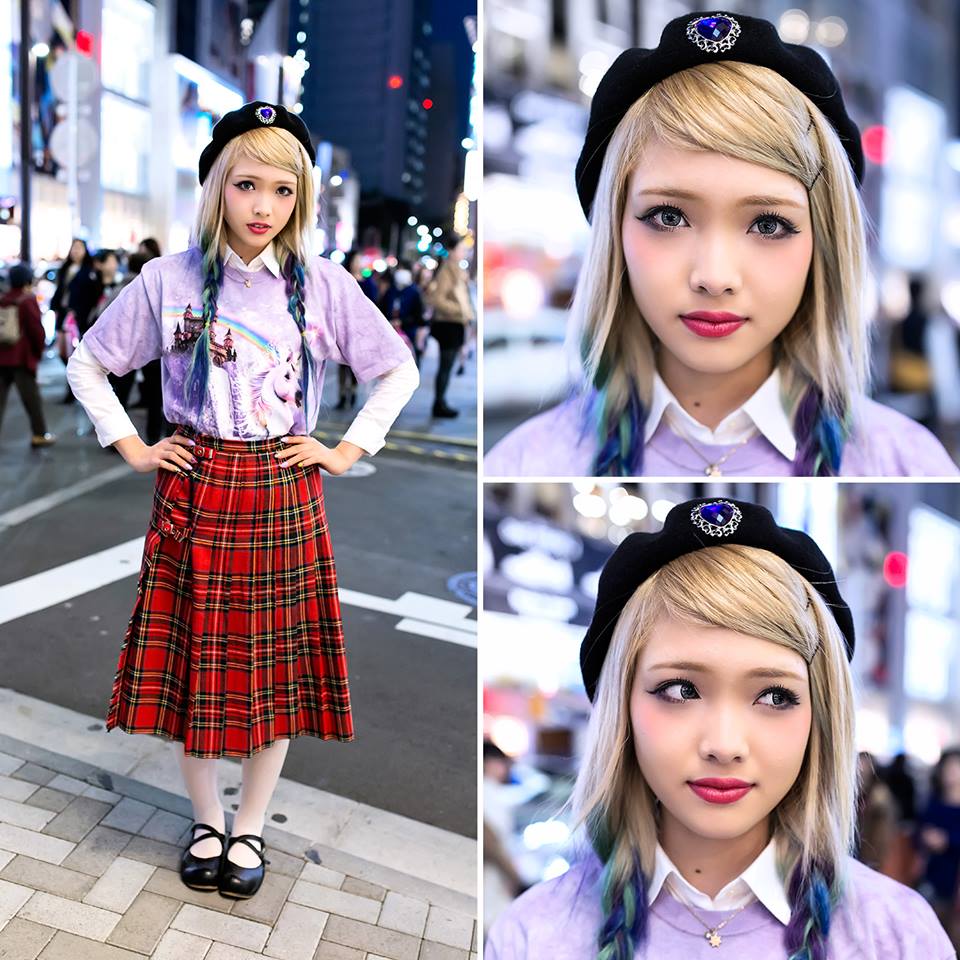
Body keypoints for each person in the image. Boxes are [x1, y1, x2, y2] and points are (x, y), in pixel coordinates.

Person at [66, 101, 419, 900]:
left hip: (282, 488)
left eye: (284, 191)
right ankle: (204, 821)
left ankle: (250, 826)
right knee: (197, 670)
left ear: (302, 199)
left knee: (272, 676)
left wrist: (346, 449)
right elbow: (89, 363)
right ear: (217, 187)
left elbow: (395, 368)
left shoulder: (321, 284)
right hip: (192, 486)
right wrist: (132, 445)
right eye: (248, 185)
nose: (265, 207)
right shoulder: (168, 279)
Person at [484, 12, 958, 478]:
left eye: (769, 225)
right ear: (615, 233)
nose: (714, 276)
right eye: (668, 217)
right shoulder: (526, 460)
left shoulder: (906, 461)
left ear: (824, 241)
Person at [486, 497, 954, 958]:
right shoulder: (532, 935)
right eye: (679, 690)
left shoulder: (897, 936)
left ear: (820, 717)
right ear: (621, 707)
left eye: (775, 696)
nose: (724, 745)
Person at [0, 263, 55, 447]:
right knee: (32, 400)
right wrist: (37, 354)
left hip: (2, 357)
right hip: (20, 359)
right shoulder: (28, 300)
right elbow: (36, 331)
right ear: (27, 280)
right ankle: (39, 435)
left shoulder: (3, 298)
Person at [425, 233, 474, 418]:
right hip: (448, 325)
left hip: (455, 325)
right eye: (461, 249)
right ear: (452, 251)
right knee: (445, 366)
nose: (464, 252)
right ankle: (439, 403)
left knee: (448, 366)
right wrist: (459, 311)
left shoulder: (458, 271)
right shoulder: (447, 271)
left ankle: (441, 401)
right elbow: (438, 300)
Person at [917, 748, 960, 948]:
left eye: (955, 768)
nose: (950, 773)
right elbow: (918, 833)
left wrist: (947, 841)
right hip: (933, 879)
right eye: (947, 768)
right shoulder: (934, 802)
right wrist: (926, 838)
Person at [50, 236, 92, 403]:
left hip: (76, 318)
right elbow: (60, 291)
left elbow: (90, 296)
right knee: (62, 352)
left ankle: (73, 389)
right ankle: (73, 385)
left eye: (79, 248)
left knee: (73, 352)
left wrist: (80, 312)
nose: (76, 251)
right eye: (74, 248)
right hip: (63, 315)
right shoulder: (66, 268)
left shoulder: (88, 271)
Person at [68, 248, 121, 338]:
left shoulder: (118, 286)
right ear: (99, 264)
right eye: (110, 262)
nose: (114, 265)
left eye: (115, 261)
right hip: (90, 332)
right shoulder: (90, 286)